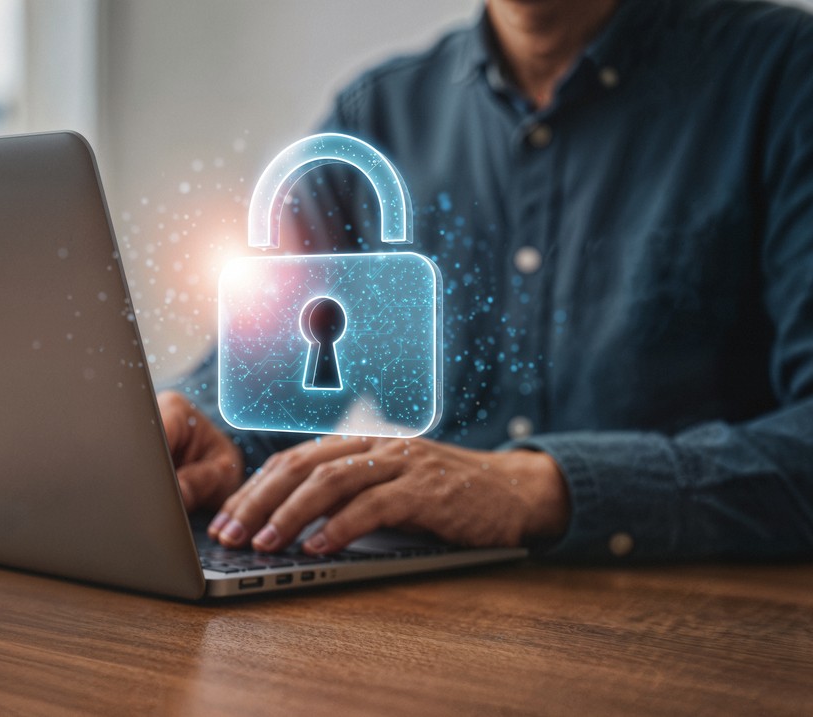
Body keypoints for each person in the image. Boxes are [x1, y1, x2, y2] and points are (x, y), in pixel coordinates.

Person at [159, 0, 813, 562]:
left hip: (711, 646)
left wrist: (539, 487)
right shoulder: (376, 117)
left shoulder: (785, 78)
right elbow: (270, 382)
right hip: (430, 626)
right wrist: (213, 432)